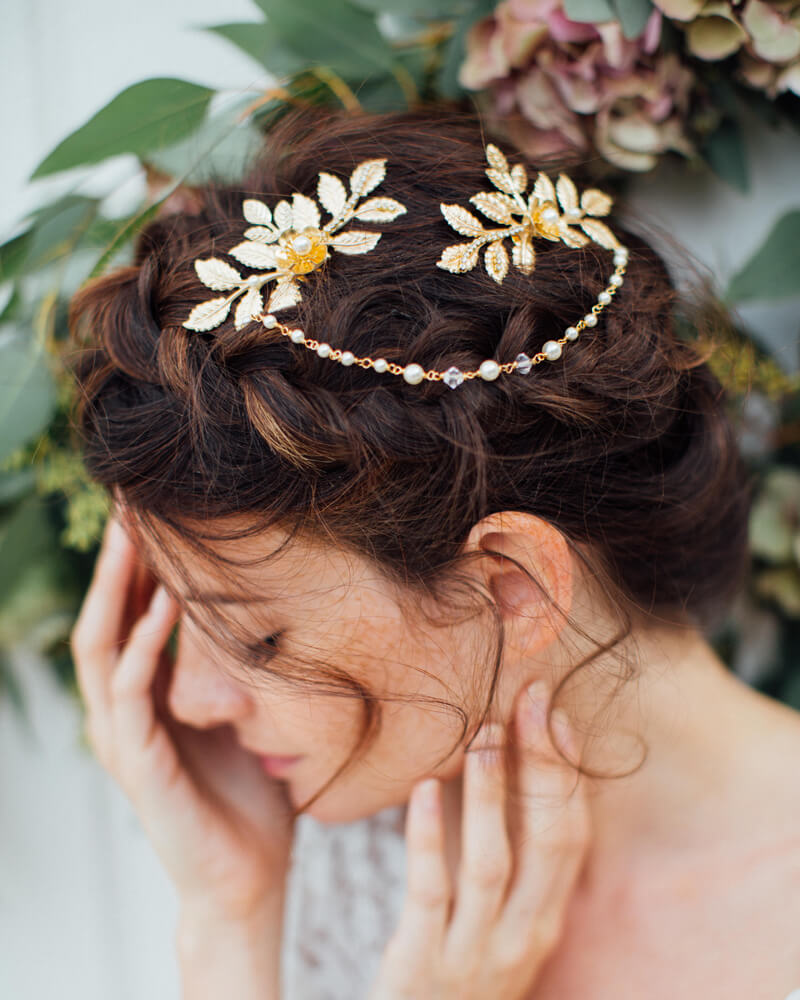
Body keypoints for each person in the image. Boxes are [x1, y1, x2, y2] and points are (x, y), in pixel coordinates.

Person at [67, 104, 800, 999]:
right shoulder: (331, 866)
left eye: (259, 639)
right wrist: (229, 922)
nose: (189, 701)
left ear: (513, 586)